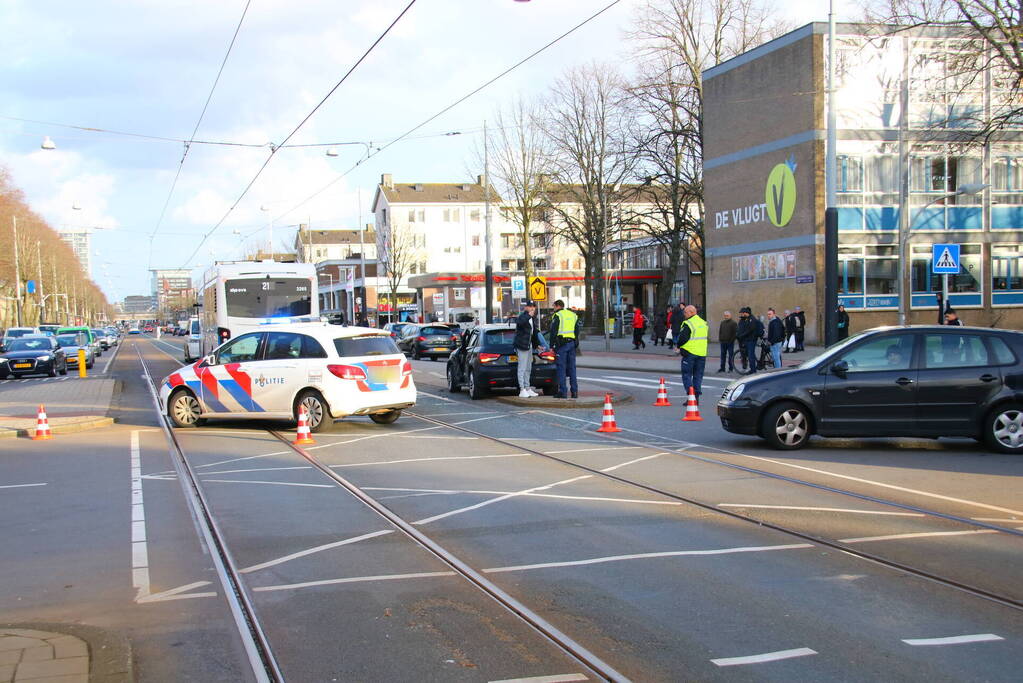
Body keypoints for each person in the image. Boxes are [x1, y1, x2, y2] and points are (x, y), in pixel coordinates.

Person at [549, 299, 580, 399]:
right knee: (572, 368)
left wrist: (551, 346)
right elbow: (577, 331)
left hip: (561, 345)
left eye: (554, 306)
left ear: (558, 306)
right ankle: (574, 392)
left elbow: (553, 332)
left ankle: (563, 392)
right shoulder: (573, 315)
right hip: (571, 343)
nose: (553, 308)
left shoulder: (557, 315)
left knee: (561, 368)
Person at [677, 305, 708, 400]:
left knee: (687, 375)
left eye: (685, 312)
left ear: (692, 312)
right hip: (702, 353)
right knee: (698, 376)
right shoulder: (703, 323)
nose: (684, 314)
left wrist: (678, 347)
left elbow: (682, 338)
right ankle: (696, 397)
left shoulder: (688, 323)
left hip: (689, 353)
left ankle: (691, 397)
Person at [514, 301, 545, 398]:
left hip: (529, 346)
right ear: (526, 307)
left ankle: (527, 388)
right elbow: (520, 322)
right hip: (522, 346)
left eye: (533, 307)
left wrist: (537, 345)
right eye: (530, 306)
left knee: (528, 368)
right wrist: (529, 316)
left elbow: (534, 333)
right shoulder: (523, 316)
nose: (532, 308)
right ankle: (522, 389)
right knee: (522, 367)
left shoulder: (532, 318)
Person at [735, 307, 762, 375]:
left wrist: (742, 335)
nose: (742, 314)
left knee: (750, 355)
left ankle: (753, 370)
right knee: (748, 355)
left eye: (743, 313)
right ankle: (752, 368)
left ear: (746, 313)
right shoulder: (746, 319)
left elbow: (750, 330)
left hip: (751, 340)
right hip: (747, 340)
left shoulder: (752, 319)